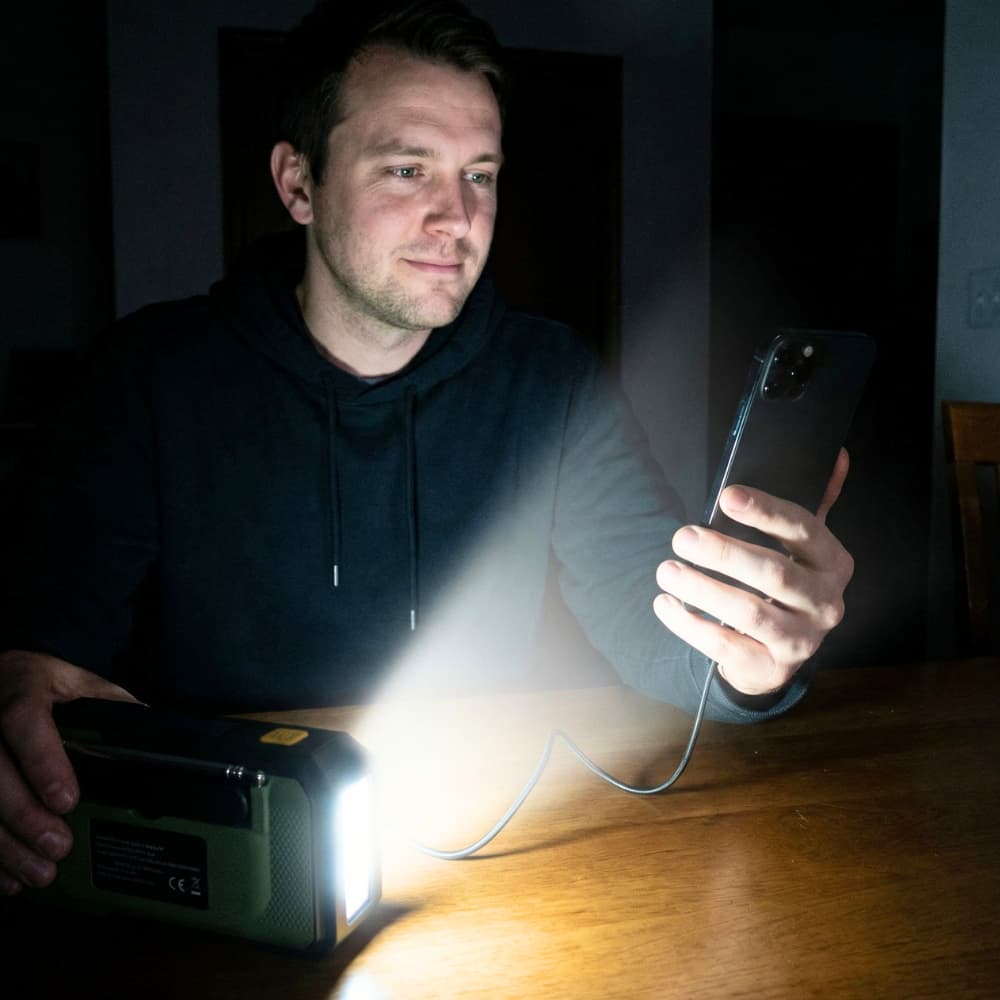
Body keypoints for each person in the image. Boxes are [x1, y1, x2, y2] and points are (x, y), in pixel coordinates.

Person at [0, 0, 853, 897]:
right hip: (226, 855)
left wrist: (746, 663)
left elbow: (650, 619)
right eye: (407, 170)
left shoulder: (550, 376)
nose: (457, 216)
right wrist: (19, 678)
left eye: (479, 174)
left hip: (475, 850)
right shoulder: (150, 374)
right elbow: (51, 649)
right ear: (298, 184)